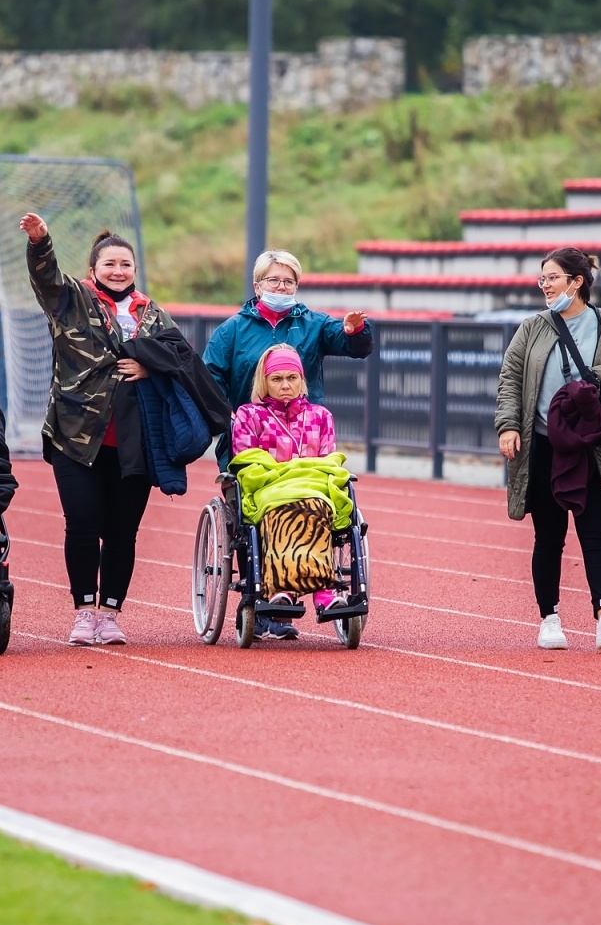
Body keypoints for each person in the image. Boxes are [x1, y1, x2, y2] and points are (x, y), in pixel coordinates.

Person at [22, 211, 177, 647]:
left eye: (125, 264)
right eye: (110, 264)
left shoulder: (153, 314)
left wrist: (150, 367)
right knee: (84, 522)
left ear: (135, 269)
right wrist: (40, 240)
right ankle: (84, 611)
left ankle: (111, 614)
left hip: (135, 442)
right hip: (76, 435)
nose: (118, 270)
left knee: (123, 531)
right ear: (93, 270)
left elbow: (182, 362)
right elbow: (46, 276)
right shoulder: (71, 300)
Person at [203, 249, 374, 639]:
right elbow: (208, 378)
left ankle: (319, 590)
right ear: (257, 284)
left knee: (316, 505)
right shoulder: (233, 330)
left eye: (289, 282)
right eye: (274, 281)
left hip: (305, 442)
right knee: (253, 519)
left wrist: (353, 332)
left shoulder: (311, 324)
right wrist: (224, 417)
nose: (282, 287)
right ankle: (265, 604)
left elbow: (354, 345)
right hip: (249, 438)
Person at [494, 248, 601, 652]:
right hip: (543, 443)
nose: (545, 285)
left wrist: (599, 376)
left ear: (576, 282)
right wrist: (508, 425)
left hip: (594, 446)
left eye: (553, 277)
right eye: (542, 278)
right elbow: (510, 378)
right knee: (549, 535)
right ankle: (549, 618)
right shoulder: (531, 328)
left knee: (597, 531)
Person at [231, 345, 346, 614]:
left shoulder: (321, 417)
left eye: (292, 378)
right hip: (270, 492)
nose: (285, 385)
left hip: (313, 490)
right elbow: (247, 463)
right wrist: (290, 474)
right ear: (264, 382)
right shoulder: (250, 415)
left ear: (302, 381)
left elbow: (329, 463)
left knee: (316, 507)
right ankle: (281, 589)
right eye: (277, 379)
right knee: (281, 510)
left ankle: (324, 593)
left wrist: (298, 473)